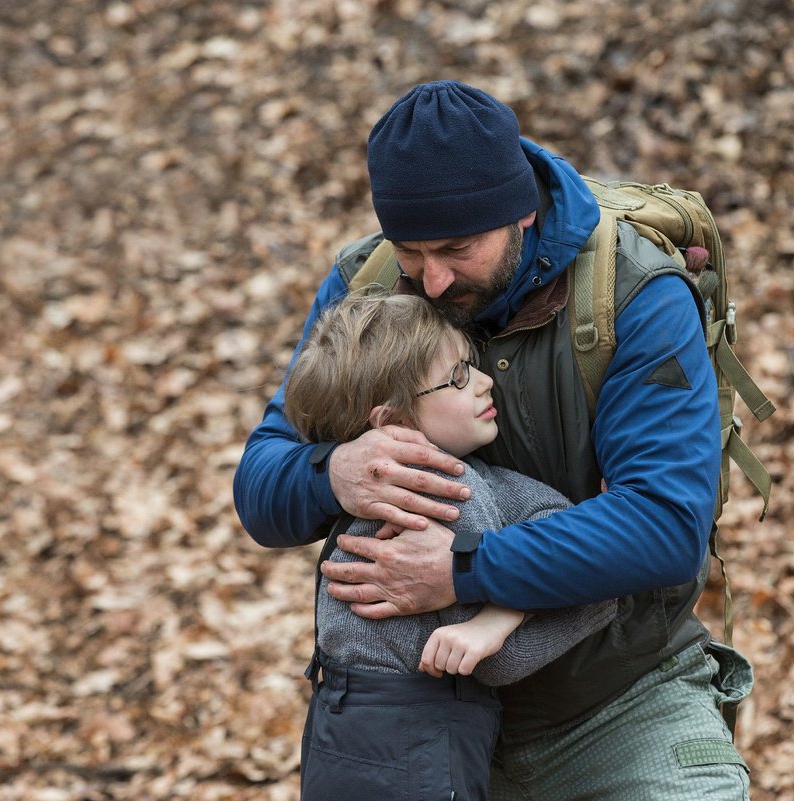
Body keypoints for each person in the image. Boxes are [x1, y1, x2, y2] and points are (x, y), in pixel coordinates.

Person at [234, 80, 754, 800]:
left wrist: (461, 569)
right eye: (412, 251)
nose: (435, 280)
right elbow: (259, 484)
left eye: (457, 247)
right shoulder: (366, 285)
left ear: (524, 211)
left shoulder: (634, 293)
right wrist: (333, 470)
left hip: (621, 696)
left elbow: (665, 526)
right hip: (425, 723)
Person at [285, 290, 616, 801]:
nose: (485, 381)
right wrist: (599, 595)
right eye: (459, 375)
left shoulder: (440, 482)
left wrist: (502, 611)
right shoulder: (441, 494)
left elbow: (544, 514)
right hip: (411, 758)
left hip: (337, 736)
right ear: (393, 425)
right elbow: (496, 661)